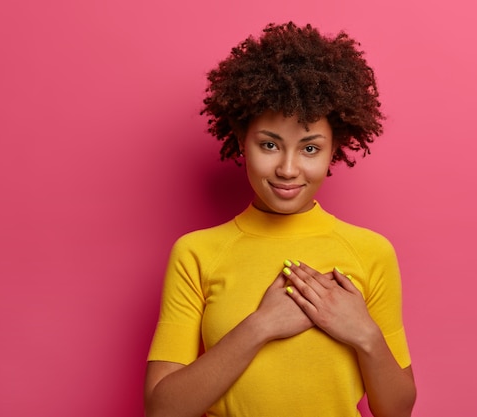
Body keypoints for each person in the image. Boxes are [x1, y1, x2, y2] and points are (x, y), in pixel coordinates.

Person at [144, 22, 416, 417]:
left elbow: (397, 412)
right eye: (269, 144)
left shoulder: (371, 252)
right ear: (241, 140)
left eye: (309, 148)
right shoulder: (196, 253)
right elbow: (162, 411)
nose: (288, 169)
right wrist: (260, 326)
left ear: (334, 149)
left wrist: (366, 335)